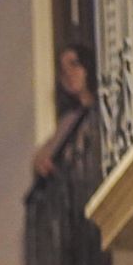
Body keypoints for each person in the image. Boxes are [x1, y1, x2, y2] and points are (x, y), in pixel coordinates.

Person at [33, 43, 95, 179]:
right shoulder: (69, 120)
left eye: (74, 64)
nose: (68, 73)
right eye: (63, 70)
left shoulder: (105, 106)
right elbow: (44, 155)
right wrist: (39, 161)